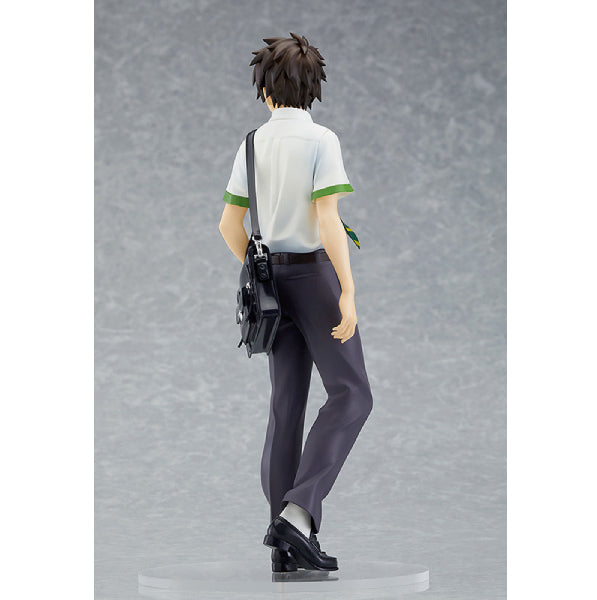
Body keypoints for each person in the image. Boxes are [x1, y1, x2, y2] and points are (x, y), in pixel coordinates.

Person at [218, 33, 373, 573]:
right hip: (313, 276)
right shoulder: (321, 140)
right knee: (352, 394)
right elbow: (327, 219)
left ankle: (283, 542)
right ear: (313, 88)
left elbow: (229, 225)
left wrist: (258, 270)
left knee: (287, 406)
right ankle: (297, 515)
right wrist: (347, 289)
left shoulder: (252, 144)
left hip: (271, 283)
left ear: (265, 90)